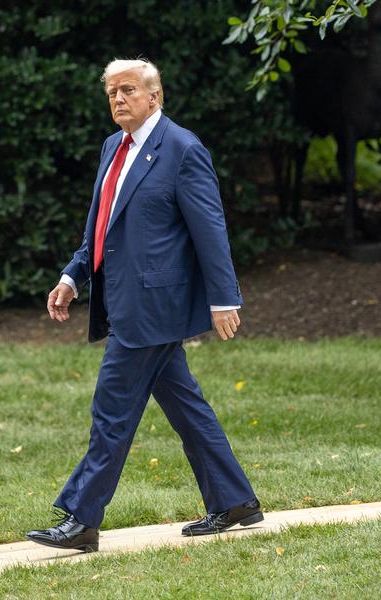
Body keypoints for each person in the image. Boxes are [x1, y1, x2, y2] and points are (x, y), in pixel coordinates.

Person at [26, 58, 261, 553]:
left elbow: (210, 231)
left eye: (128, 90)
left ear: (155, 96)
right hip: (125, 301)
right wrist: (73, 275)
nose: (118, 100)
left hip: (155, 307)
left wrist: (224, 299)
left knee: (111, 410)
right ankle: (236, 500)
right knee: (185, 405)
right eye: (112, 92)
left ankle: (81, 519)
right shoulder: (114, 146)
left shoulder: (182, 149)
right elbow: (101, 224)